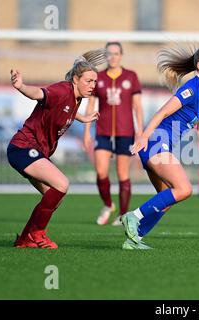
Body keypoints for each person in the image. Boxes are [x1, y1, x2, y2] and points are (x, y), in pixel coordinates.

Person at [121, 46, 199, 250]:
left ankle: (133, 238)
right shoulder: (192, 88)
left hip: (162, 145)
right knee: (184, 189)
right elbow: (162, 112)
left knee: (166, 200)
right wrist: (144, 137)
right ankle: (133, 216)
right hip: (156, 142)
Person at [7, 49, 106, 249]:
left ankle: (25, 239)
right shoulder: (62, 90)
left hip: (34, 151)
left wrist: (84, 118)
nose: (92, 86)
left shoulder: (76, 98)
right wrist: (21, 86)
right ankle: (38, 234)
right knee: (62, 184)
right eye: (88, 81)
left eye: (95, 82)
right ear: (76, 79)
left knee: (54, 196)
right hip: (23, 147)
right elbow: (40, 94)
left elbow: (66, 110)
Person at [83, 41, 144, 226]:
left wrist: (140, 131)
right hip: (102, 131)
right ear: (105, 56)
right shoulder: (98, 77)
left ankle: (123, 215)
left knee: (122, 174)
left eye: (116, 53)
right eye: (109, 53)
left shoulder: (131, 76)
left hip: (125, 132)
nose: (113, 57)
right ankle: (108, 205)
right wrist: (87, 131)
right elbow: (91, 105)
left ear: (121, 55)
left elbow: (137, 106)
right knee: (101, 172)